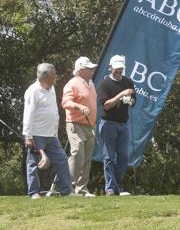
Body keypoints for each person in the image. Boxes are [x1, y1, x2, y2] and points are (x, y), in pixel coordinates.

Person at [23, 63, 73, 198]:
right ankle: (33, 192)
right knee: (33, 164)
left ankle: (67, 192)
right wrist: (28, 136)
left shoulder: (51, 88)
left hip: (51, 135)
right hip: (36, 135)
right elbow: (28, 114)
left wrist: (55, 131)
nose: (56, 77)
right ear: (46, 77)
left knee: (62, 159)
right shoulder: (33, 91)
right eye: (54, 74)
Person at [97, 55, 136, 196]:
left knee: (124, 157)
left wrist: (129, 100)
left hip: (123, 125)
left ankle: (117, 186)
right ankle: (110, 189)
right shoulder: (104, 84)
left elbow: (133, 101)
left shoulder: (128, 82)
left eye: (121, 68)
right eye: (116, 68)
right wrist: (121, 95)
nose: (119, 71)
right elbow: (106, 106)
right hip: (108, 124)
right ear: (110, 67)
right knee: (108, 157)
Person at [61, 56, 98, 197]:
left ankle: (82, 189)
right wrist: (78, 106)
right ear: (80, 70)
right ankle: (68, 188)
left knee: (87, 157)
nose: (92, 70)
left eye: (92, 68)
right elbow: (65, 103)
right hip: (75, 124)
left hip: (90, 125)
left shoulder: (91, 83)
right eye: (89, 68)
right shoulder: (72, 84)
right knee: (78, 154)